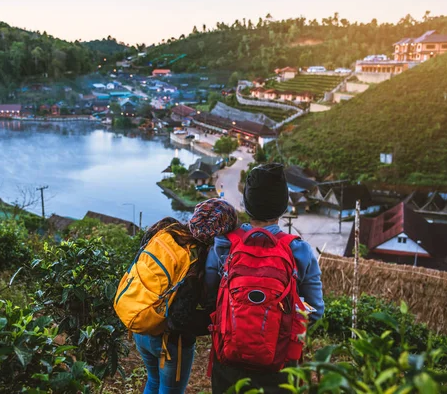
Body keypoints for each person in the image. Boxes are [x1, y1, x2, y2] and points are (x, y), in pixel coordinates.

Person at [204, 163, 324, 393]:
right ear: (283, 206)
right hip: (279, 363)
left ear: (246, 204)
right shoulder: (300, 251)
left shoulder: (224, 244)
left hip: (228, 357)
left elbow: (210, 295)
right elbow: (316, 311)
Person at [133, 199, 238, 394]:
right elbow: (183, 318)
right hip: (169, 340)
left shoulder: (166, 233)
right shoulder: (199, 259)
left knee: (153, 382)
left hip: (141, 323)